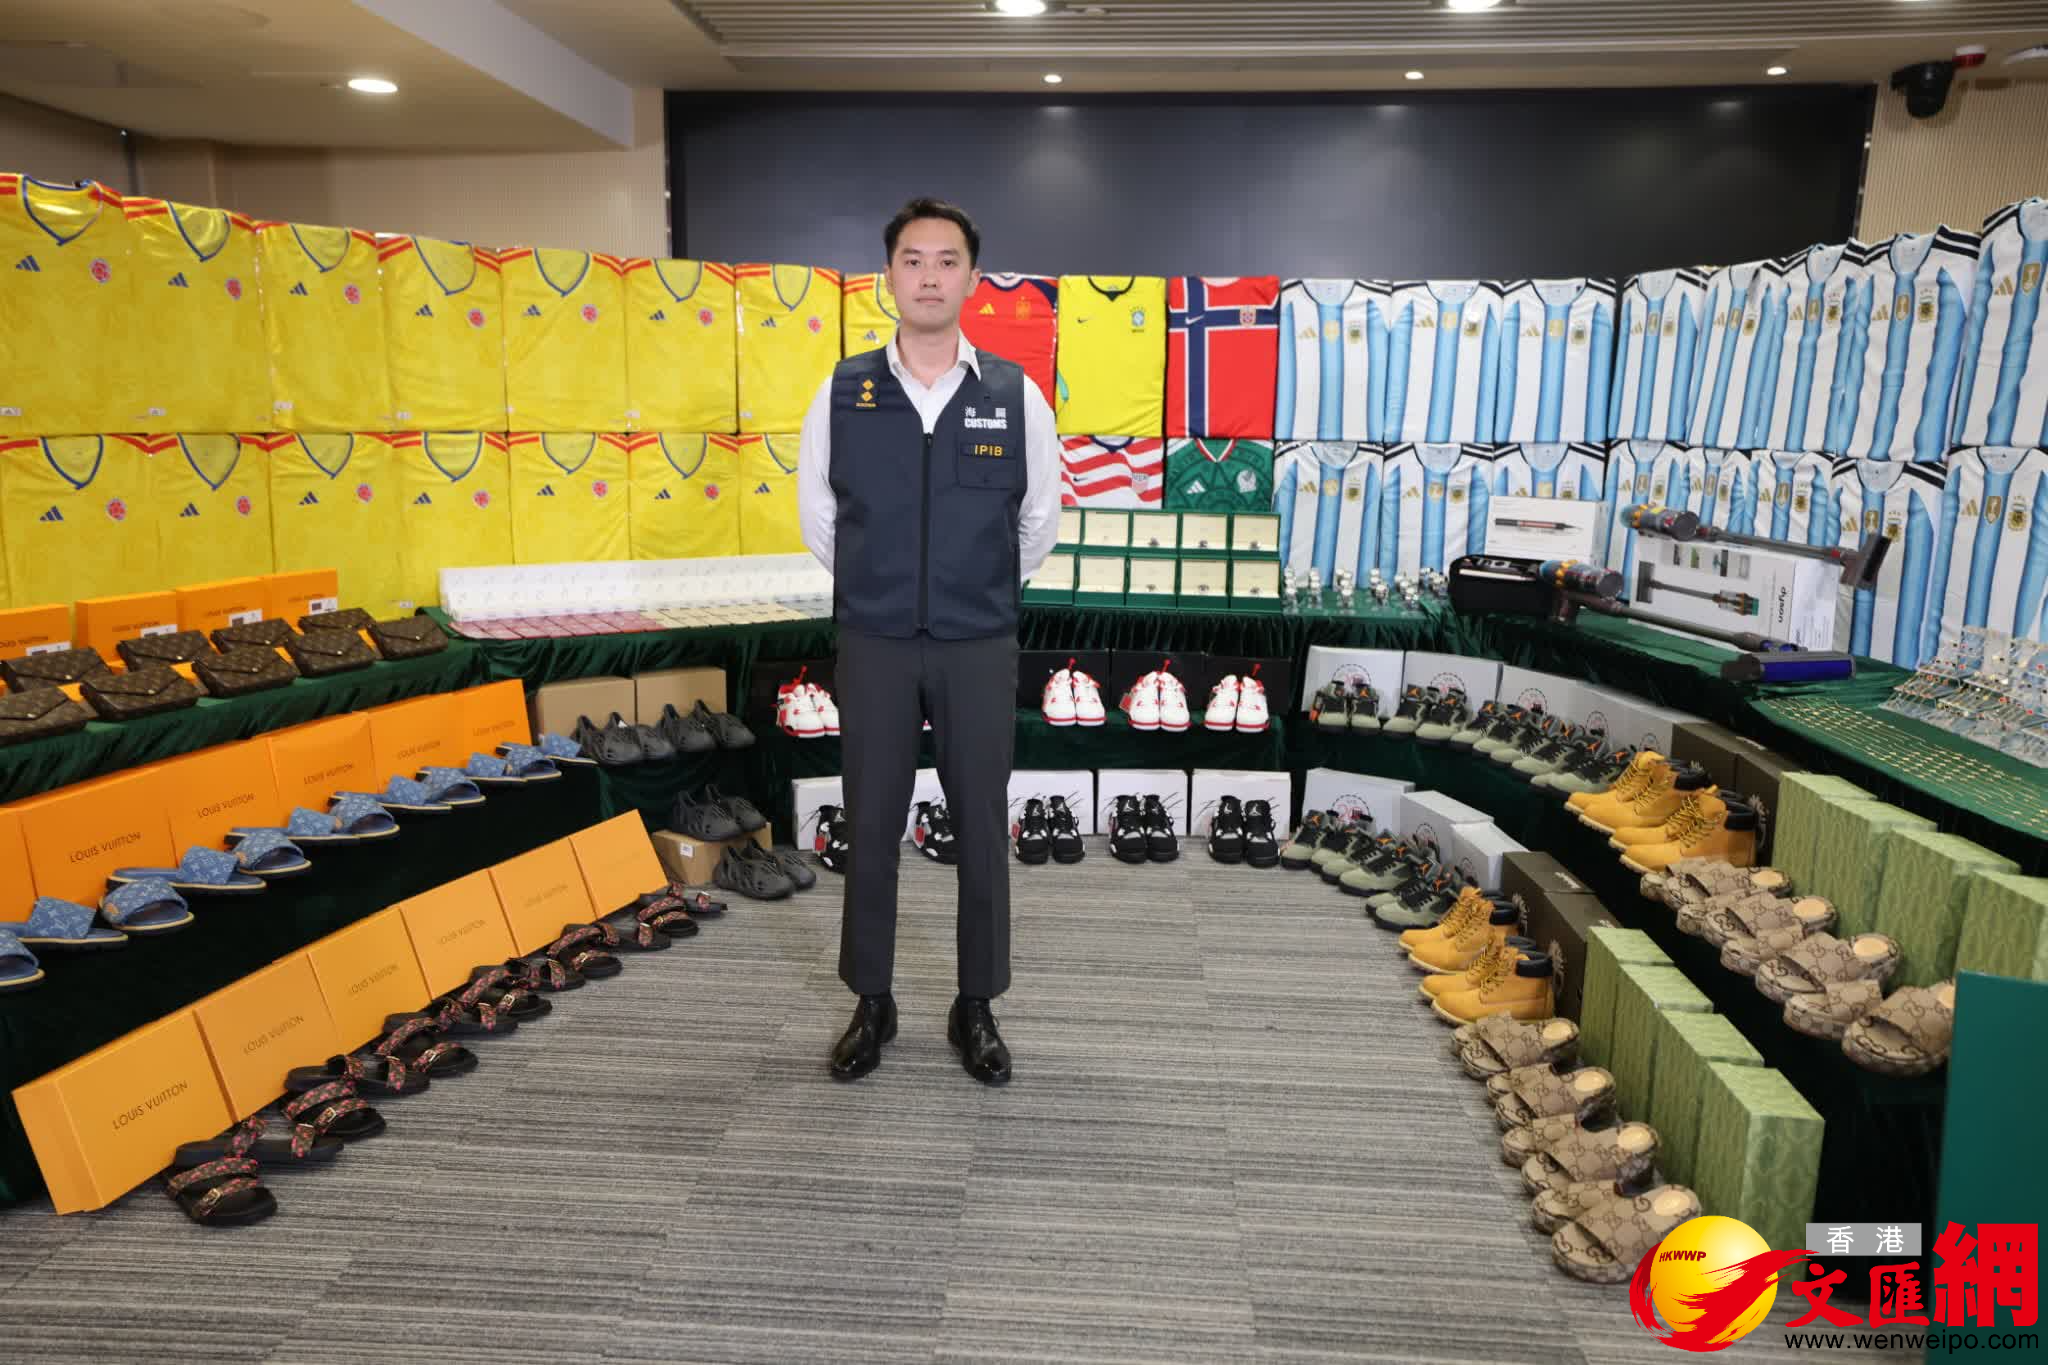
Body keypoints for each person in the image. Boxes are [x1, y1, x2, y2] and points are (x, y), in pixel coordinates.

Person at [798, 198, 1060, 1085]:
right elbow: (820, 518)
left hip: (976, 641)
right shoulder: (843, 392)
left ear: (973, 280)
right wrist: (881, 588)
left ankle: (975, 1003)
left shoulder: (1014, 396)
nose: (929, 277)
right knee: (870, 821)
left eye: (948, 261)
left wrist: (970, 590)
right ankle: (871, 1000)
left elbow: (1037, 523)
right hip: (874, 640)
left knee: (981, 823)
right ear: (889, 277)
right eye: (913, 260)